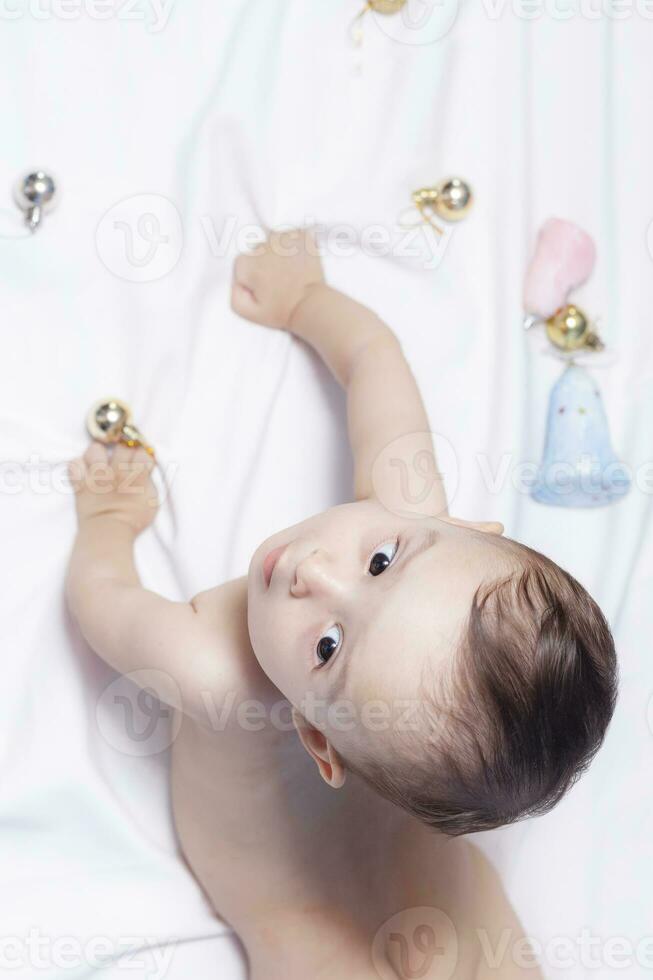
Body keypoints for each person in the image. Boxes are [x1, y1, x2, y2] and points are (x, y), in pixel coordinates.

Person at [66, 230, 617, 978]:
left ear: (317, 740)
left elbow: (101, 598)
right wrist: (304, 300)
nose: (313, 575)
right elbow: (372, 360)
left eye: (327, 648)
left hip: (306, 935)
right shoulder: (416, 525)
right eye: (379, 563)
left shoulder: (208, 667)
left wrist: (107, 522)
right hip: (449, 906)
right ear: (460, 526)